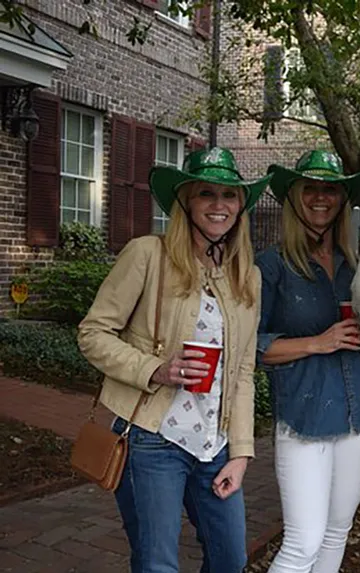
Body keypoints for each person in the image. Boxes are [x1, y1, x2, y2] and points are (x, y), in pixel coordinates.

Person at [78, 147, 267, 573]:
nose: (219, 205)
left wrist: (240, 453)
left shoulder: (246, 276)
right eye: (206, 194)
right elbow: (92, 334)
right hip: (152, 440)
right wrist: (154, 369)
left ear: (241, 206)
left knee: (229, 559)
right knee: (157, 563)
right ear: (186, 201)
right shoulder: (147, 255)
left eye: (230, 195)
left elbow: (242, 373)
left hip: (214, 446)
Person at [256, 150, 360, 573]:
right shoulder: (272, 266)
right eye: (310, 187)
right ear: (294, 197)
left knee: (336, 532)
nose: (320, 197)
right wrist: (319, 342)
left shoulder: (356, 266)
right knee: (302, 543)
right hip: (305, 415)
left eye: (330, 189)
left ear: (341, 199)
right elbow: (250, 345)